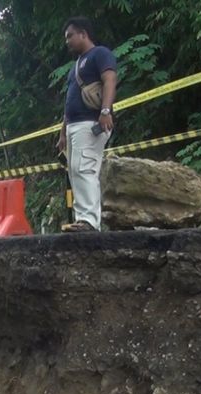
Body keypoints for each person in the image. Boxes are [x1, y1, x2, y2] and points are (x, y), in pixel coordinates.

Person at [57, 16, 117, 232]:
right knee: (75, 170)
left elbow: (110, 80)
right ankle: (83, 219)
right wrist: (63, 132)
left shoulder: (100, 54)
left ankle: (90, 221)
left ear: (83, 33)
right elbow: (69, 100)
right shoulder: (75, 67)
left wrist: (105, 110)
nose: (67, 41)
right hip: (74, 125)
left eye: (70, 35)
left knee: (85, 168)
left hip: (91, 122)